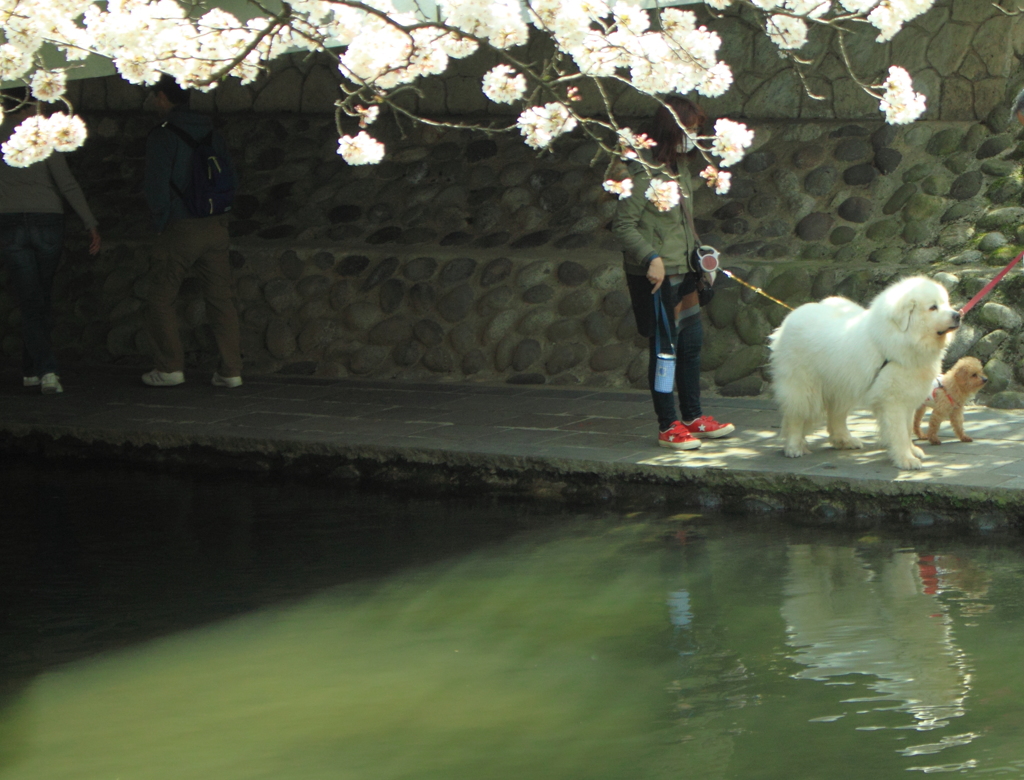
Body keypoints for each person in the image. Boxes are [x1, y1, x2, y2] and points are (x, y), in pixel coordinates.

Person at [612, 95, 734, 450]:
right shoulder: (640, 168)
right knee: (665, 350)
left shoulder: (678, 166)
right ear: (671, 128)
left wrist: (701, 257)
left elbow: (683, 221)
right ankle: (668, 424)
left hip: (684, 269)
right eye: (689, 129)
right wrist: (650, 257)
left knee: (692, 344)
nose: (693, 136)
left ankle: (693, 417)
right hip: (656, 274)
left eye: (696, 130)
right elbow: (624, 225)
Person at [141, 73, 242, 388]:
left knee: (160, 297)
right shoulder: (211, 132)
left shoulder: (163, 134)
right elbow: (230, 175)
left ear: (162, 97)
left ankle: (169, 367)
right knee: (220, 299)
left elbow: (156, 186)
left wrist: (162, 222)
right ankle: (231, 371)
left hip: (181, 226)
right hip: (216, 225)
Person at [0, 88, 101, 395]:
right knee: (40, 297)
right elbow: (66, 183)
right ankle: (46, 371)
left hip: (9, 220)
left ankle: (33, 368)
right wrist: (90, 222)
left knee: (31, 299)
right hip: (48, 220)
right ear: (32, 103)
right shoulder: (43, 135)